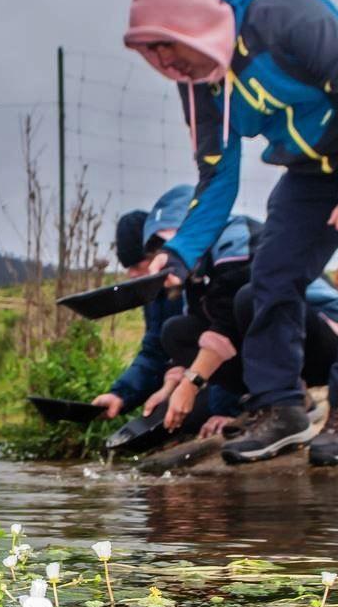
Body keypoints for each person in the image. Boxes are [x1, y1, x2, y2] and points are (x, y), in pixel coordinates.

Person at [122, 0, 338, 466]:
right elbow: (217, 175)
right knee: (271, 271)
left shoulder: (286, 18)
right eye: (149, 54)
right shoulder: (199, 81)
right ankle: (281, 407)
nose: (163, 63)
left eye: (164, 47)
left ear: (191, 24)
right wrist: (179, 255)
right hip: (313, 163)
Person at [150, 217, 338, 439]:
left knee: (250, 299)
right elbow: (210, 336)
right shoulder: (195, 275)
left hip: (326, 336)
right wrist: (168, 391)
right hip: (281, 345)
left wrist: (191, 384)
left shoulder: (236, 240)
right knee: (177, 331)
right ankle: (268, 404)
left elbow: (226, 329)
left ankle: (290, 400)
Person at [91, 186, 241, 435]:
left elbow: (225, 335)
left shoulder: (196, 278)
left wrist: (219, 406)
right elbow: (155, 350)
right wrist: (121, 394)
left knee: (177, 419)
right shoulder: (156, 294)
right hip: (192, 376)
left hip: (220, 376)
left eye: (139, 265)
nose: (133, 275)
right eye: (128, 268)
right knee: (152, 424)